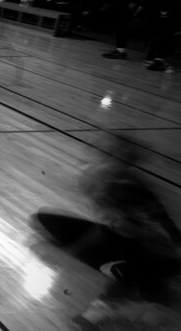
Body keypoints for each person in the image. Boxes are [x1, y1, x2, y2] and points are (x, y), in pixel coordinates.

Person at [32, 134, 181, 328]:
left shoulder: (127, 187)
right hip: (123, 241)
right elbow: (109, 227)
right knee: (44, 219)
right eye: (103, 152)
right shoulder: (99, 179)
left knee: (129, 260)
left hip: (152, 252)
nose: (99, 154)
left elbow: (152, 228)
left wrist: (75, 250)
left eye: (110, 153)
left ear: (123, 159)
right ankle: (141, 288)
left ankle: (109, 304)